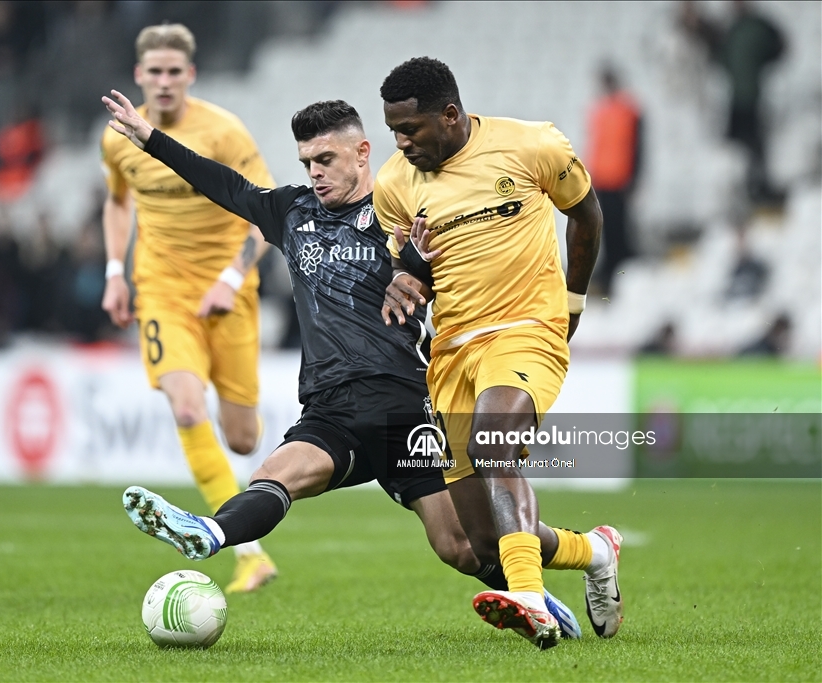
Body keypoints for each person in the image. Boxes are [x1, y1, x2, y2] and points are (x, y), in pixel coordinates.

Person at [102, 92, 587, 640]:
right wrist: (151, 139)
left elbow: (454, 274)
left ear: (362, 152)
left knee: (460, 546)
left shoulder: (399, 211)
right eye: (307, 161)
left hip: (405, 407)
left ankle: (559, 579)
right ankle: (210, 532)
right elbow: (224, 184)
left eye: (325, 159)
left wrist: (419, 268)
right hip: (330, 407)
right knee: (272, 476)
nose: (314, 172)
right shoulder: (291, 213)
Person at [375, 57, 620, 649]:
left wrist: (573, 303)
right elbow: (408, 272)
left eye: (410, 129)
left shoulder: (532, 145)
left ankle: (531, 599)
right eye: (394, 132)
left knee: (493, 445)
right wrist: (404, 277)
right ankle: (595, 551)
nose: (402, 143)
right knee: (482, 542)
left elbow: (586, 215)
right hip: (451, 352)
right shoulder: (393, 185)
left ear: (450, 115)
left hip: (526, 329)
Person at [99, 23, 276, 594]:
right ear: (139, 75)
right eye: (155, 71)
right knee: (185, 406)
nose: (164, 81)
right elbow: (117, 202)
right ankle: (247, 552)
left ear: (191, 75)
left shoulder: (223, 131)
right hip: (162, 290)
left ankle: (240, 505)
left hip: (228, 291)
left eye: (174, 71)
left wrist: (231, 276)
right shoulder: (117, 138)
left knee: (243, 439)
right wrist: (115, 272)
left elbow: (268, 212)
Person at [681, 0, 785, 206]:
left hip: (749, 96)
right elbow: (720, 53)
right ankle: (746, 191)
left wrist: (762, 66)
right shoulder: (736, 28)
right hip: (736, 96)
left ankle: (756, 190)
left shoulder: (751, 27)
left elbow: (777, 47)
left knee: (751, 146)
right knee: (740, 147)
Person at [586, 65, 641, 296]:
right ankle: (610, 275)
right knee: (605, 231)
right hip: (602, 180)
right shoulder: (599, 111)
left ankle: (622, 274)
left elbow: (637, 147)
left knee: (620, 230)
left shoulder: (629, 110)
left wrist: (635, 178)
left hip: (620, 180)